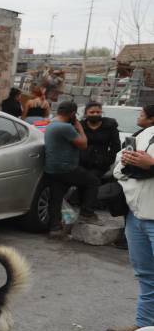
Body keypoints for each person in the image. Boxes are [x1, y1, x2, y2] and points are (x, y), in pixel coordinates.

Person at [108, 125, 154, 331]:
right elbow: (118, 168)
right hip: (136, 216)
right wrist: (127, 164)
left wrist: (151, 165)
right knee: (146, 275)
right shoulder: (146, 133)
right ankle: (144, 328)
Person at [44, 101, 100, 236]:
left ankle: (55, 228)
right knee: (93, 182)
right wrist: (79, 127)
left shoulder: (52, 124)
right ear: (73, 114)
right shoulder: (65, 127)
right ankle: (87, 212)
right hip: (67, 168)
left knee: (56, 199)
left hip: (52, 168)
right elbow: (83, 144)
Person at [79, 101, 121, 179]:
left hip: (101, 164)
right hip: (82, 163)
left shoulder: (110, 125)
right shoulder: (80, 126)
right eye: (92, 112)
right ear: (86, 113)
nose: (95, 114)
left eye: (98, 112)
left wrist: (109, 160)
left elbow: (116, 146)